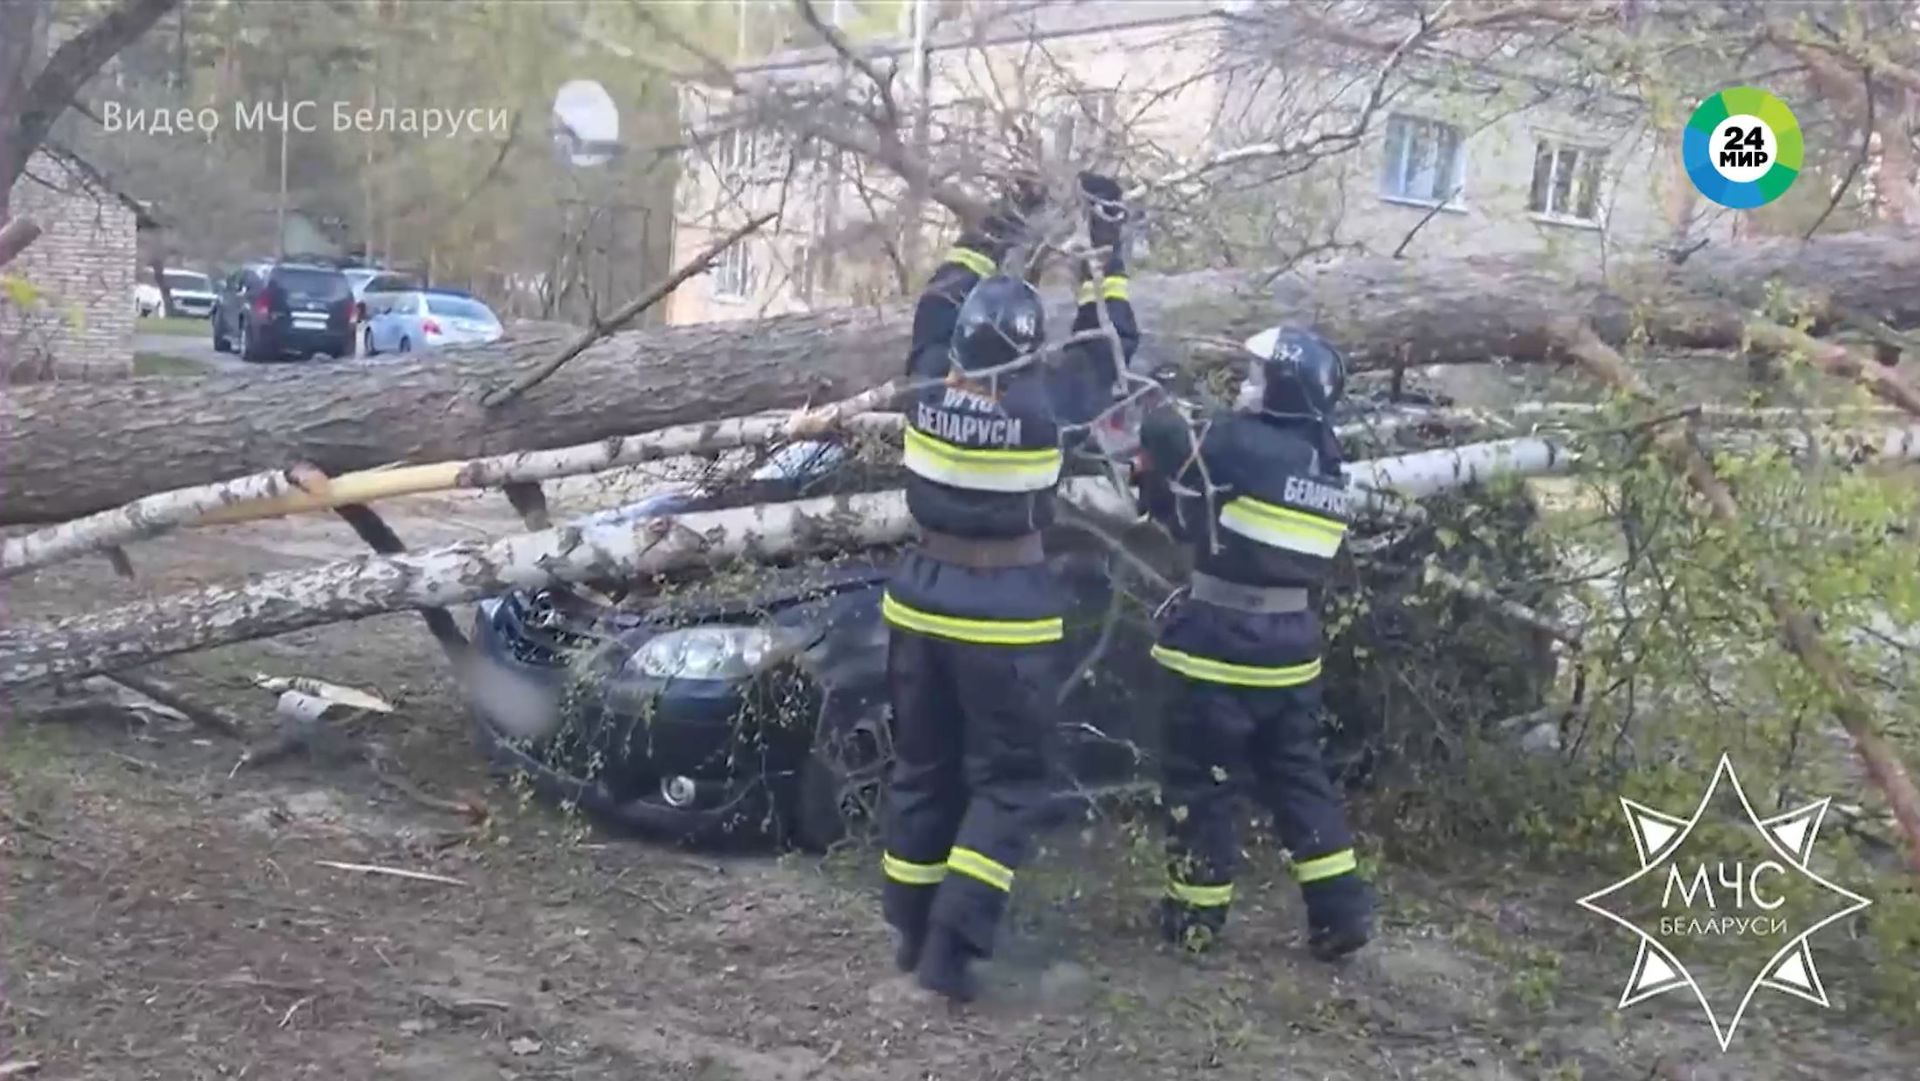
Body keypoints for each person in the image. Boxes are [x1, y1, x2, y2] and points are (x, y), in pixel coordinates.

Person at [881, 174, 1138, 1002]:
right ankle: (951, 955)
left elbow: (941, 292)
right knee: (1009, 783)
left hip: (917, 600)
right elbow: (1112, 339)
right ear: (1030, 349)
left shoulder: (924, 379)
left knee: (923, 769)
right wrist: (1109, 240)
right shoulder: (1048, 401)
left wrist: (1004, 215)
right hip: (1005, 617)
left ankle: (909, 931)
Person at [1130, 325, 1374, 962]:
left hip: (1219, 643)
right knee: (1297, 779)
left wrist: (1154, 394)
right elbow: (1208, 512)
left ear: (1286, 388)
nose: (1246, 386)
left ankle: (1195, 920)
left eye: (1258, 376)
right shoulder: (1325, 462)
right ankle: (1340, 912)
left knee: (1201, 782)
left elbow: (1167, 436)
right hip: (1291, 648)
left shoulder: (1244, 444)